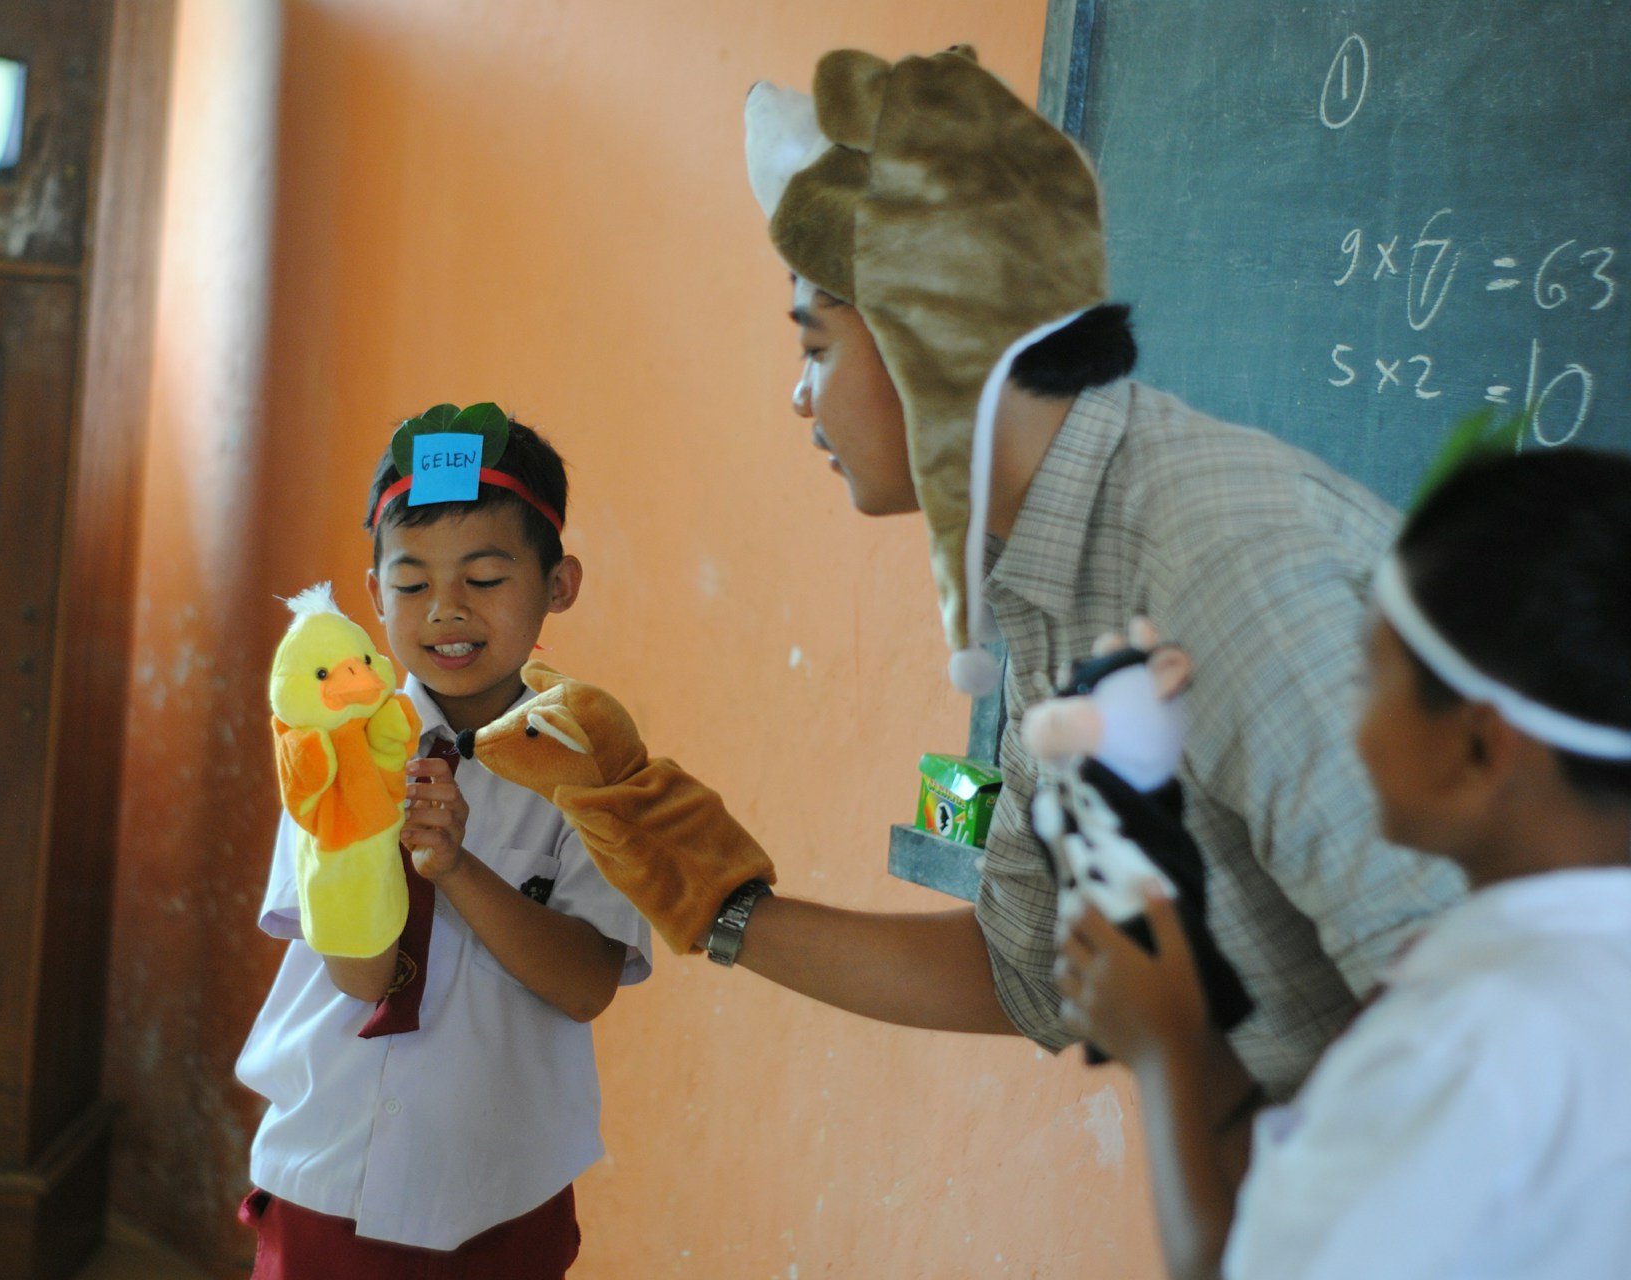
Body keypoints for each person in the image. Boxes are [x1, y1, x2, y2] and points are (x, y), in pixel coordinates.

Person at [577, 44, 1458, 1103]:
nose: (799, 400)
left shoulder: (1214, 569)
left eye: (815, 346)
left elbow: (1481, 1033)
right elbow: (1032, 974)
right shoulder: (1045, 571)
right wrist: (713, 902)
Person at [1056, 448, 1631, 1280]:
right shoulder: (1550, 971)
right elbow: (1303, 1187)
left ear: (1477, 746)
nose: (1350, 715)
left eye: (1370, 676)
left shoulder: (1470, 1038)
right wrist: (1185, 995)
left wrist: (1167, 1052)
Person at [235, 410, 652, 1279]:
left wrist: (457, 869)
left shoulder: (591, 764)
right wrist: (367, 840)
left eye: (487, 576)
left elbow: (585, 986)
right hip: (328, 1172)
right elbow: (355, 976)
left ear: (559, 583)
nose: (447, 611)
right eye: (412, 582)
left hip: (499, 1195)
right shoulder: (331, 748)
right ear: (374, 591)